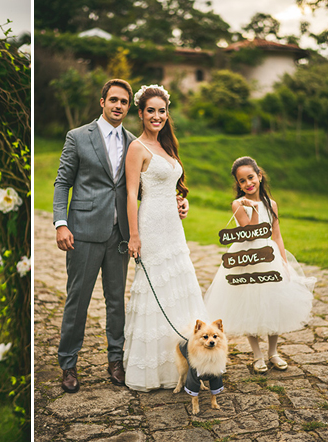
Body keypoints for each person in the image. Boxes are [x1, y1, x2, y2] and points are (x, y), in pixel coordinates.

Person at [53, 79, 188, 393]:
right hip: (83, 231)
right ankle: (68, 363)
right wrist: (61, 222)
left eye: (124, 102)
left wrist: (176, 201)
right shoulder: (77, 137)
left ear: (130, 107)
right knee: (77, 301)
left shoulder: (134, 142)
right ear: (102, 102)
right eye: (113, 100)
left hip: (120, 236)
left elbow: (142, 189)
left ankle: (116, 360)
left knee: (116, 302)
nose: (118, 106)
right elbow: (62, 183)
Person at [122, 84, 208, 392]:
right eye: (150, 111)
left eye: (161, 111)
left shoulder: (168, 147)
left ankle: (189, 364)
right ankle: (156, 368)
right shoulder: (137, 148)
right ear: (141, 114)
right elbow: (132, 195)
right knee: (156, 287)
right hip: (151, 229)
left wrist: (181, 202)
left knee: (180, 285)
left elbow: (168, 186)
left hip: (173, 227)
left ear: (166, 113)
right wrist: (134, 236)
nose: (156, 116)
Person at [204, 156, 314, 373]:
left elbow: (277, 235)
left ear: (260, 176)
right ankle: (257, 355)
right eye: (242, 181)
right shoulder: (238, 204)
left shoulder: (272, 204)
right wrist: (251, 207)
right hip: (247, 259)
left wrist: (283, 262)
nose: (248, 184)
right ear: (238, 184)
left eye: (251, 178)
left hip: (269, 257)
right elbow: (250, 232)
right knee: (250, 304)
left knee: (274, 303)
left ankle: (273, 352)